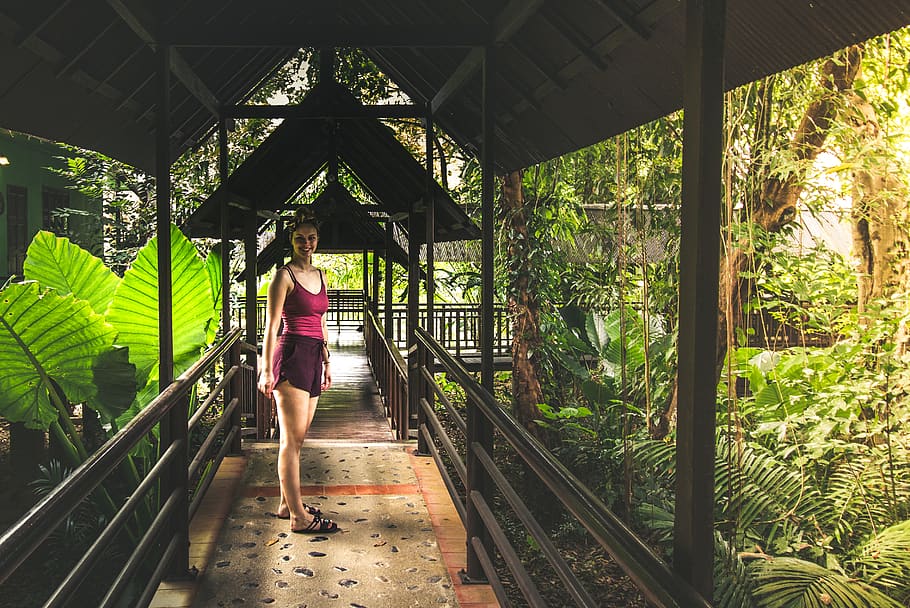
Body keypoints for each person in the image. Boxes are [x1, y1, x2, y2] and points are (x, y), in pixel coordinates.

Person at [257, 208, 338, 534]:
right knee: (291, 441)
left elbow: (321, 320)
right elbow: (271, 326)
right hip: (291, 355)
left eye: (312, 238)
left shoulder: (320, 275)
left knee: (299, 438)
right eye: (300, 238)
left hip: (314, 356)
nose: (307, 243)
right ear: (290, 241)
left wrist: (328, 361)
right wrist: (265, 370)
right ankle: (298, 517)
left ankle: (285, 502)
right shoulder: (283, 276)